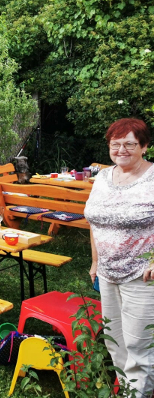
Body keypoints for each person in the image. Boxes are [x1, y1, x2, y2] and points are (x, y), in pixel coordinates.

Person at [84, 118, 154, 396]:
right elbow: (94, 222)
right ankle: (129, 390)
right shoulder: (102, 178)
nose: (121, 149)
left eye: (129, 144)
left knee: (140, 344)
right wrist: (96, 261)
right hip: (107, 272)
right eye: (116, 144)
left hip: (142, 273)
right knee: (115, 341)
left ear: (144, 146)